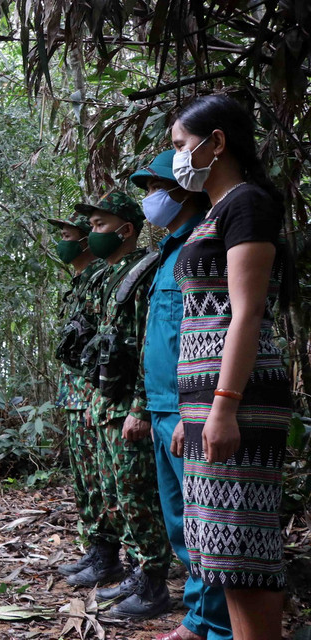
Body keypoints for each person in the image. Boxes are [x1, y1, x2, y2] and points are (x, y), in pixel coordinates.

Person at [170, 94, 290, 640]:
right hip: (210, 400)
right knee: (221, 553)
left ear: (216, 142)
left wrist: (223, 407)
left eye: (180, 145)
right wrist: (189, 412)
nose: (177, 157)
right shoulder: (214, 213)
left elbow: (246, 313)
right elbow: (201, 320)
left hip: (238, 395)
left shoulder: (248, 204)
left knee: (243, 553)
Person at [130, 151, 232, 640]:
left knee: (205, 526)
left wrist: (203, 408)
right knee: (180, 525)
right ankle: (199, 619)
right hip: (162, 404)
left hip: (191, 405)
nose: (150, 198)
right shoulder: (171, 250)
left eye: (156, 187)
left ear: (183, 189)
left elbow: (216, 329)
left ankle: (214, 623)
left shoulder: (206, 244)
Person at [70, 191, 172, 620]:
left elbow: (148, 345)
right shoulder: (108, 276)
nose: (91, 235)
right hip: (103, 401)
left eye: (99, 226)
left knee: (136, 494)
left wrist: (141, 406)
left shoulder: (145, 271)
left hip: (128, 404)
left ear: (126, 229)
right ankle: (131, 569)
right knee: (114, 493)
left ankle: (153, 584)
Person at [46, 212, 112, 578]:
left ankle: (108, 556)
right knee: (84, 476)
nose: (63, 242)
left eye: (69, 235)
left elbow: (102, 341)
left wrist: (95, 392)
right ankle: (96, 548)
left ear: (86, 240)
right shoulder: (79, 282)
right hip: (74, 392)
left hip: (92, 392)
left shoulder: (100, 279)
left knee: (99, 476)